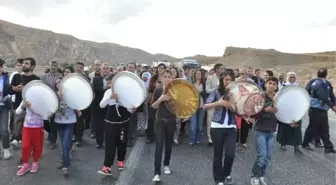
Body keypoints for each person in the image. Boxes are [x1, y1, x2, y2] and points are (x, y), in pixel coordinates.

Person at [98, 74, 136, 175]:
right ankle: (107, 166)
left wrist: (132, 109)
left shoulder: (126, 93)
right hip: (110, 123)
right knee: (110, 144)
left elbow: (130, 110)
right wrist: (110, 98)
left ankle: (120, 160)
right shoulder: (108, 92)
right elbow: (101, 105)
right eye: (111, 82)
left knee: (122, 143)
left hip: (123, 123)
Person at [203, 71, 237, 185]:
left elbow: (239, 109)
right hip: (217, 127)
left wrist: (242, 113)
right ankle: (218, 179)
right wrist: (219, 102)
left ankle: (226, 173)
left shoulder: (236, 93)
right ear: (222, 80)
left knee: (230, 154)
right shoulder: (216, 92)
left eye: (230, 79)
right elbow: (205, 106)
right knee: (218, 154)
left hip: (231, 127)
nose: (228, 81)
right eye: (226, 79)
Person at [250, 76, 279, 185]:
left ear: (276, 86)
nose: (271, 85)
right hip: (260, 130)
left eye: (274, 84)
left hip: (272, 131)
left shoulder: (278, 98)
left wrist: (290, 122)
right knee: (261, 155)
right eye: (270, 83)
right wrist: (265, 110)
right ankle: (255, 176)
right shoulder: (260, 97)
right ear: (265, 84)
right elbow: (253, 113)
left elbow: (281, 114)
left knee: (268, 157)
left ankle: (261, 175)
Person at [302, 68, 336, 154]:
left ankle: (328, 147)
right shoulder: (323, 83)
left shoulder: (312, 82)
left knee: (324, 128)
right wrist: (332, 106)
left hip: (319, 109)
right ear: (326, 75)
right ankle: (305, 143)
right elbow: (324, 97)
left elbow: (306, 93)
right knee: (313, 127)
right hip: (316, 109)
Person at [151, 70, 176, 182]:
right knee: (159, 146)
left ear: (172, 78)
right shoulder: (158, 90)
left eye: (169, 76)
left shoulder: (176, 91)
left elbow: (181, 106)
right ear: (161, 79)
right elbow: (153, 106)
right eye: (165, 76)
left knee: (169, 145)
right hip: (159, 121)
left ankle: (166, 164)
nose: (167, 78)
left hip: (171, 121)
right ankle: (156, 173)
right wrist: (161, 99)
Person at [54, 77, 81, 176]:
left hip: (70, 121)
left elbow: (77, 104)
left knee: (65, 143)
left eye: (60, 83)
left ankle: (65, 165)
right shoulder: (54, 95)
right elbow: (50, 106)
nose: (59, 85)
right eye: (57, 83)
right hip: (59, 122)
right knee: (64, 142)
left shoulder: (70, 94)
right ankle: (67, 156)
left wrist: (78, 110)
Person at [276, 72, 303, 154]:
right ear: (287, 77)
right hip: (285, 109)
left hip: (296, 110)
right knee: (285, 127)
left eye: (293, 77)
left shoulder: (298, 86)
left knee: (296, 128)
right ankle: (283, 143)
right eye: (290, 77)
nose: (292, 78)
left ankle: (296, 146)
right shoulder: (283, 86)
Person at [15, 100, 45, 176]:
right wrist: (23, 106)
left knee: (38, 147)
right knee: (25, 146)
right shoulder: (26, 97)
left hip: (39, 127)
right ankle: (25, 165)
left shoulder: (43, 98)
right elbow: (17, 112)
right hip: (27, 126)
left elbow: (47, 116)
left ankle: (35, 163)